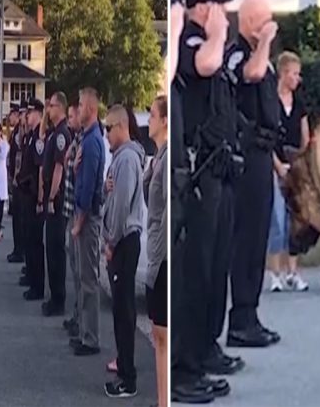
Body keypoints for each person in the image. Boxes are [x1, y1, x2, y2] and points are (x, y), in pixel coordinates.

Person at [171, 0, 236, 403]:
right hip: (193, 179)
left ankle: (198, 355)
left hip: (214, 173)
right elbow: (206, 65)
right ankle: (184, 369)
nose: (225, 13)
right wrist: (219, 32)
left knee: (211, 273)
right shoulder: (192, 41)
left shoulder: (200, 37)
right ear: (202, 7)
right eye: (219, 5)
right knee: (192, 277)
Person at [224, 0, 282, 352]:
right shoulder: (237, 52)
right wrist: (265, 42)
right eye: (264, 22)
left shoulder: (261, 55)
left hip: (263, 154)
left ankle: (251, 313)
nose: (269, 27)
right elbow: (252, 74)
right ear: (248, 24)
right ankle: (240, 319)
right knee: (245, 239)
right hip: (245, 157)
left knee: (259, 237)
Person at [102, 105, 145, 398]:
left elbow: (121, 205)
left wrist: (111, 241)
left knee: (125, 312)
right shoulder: (120, 159)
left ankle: (128, 378)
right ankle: (124, 368)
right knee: (120, 310)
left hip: (125, 241)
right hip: (122, 240)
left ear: (120, 126)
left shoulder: (127, 159)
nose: (106, 134)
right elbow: (114, 195)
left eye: (108, 128)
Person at [267, 51, 309, 292]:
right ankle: (274, 273)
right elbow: (269, 136)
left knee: (295, 222)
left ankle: (293, 271)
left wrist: (300, 162)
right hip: (276, 166)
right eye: (293, 73)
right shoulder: (271, 102)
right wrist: (277, 165)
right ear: (283, 74)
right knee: (277, 221)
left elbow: (306, 137)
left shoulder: (300, 105)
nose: (297, 78)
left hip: (295, 166)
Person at [70, 87, 105, 357]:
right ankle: (83, 332)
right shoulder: (86, 138)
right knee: (82, 278)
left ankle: (91, 338)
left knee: (89, 281)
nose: (78, 109)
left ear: (91, 109)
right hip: (83, 215)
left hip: (88, 217)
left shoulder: (93, 141)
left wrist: (80, 222)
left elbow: (89, 186)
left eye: (81, 105)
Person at [145, 95, 169, 407]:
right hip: (155, 253)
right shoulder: (157, 157)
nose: (148, 120)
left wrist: (157, 259)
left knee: (161, 333)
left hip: (162, 258)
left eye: (152, 115)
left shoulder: (165, 158)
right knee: (157, 334)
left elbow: (164, 215)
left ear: (165, 120)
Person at [38, 92, 71, 317]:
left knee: (56, 249)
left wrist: (50, 197)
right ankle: (54, 296)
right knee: (50, 248)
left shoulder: (62, 134)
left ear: (60, 107)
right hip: (51, 197)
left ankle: (58, 299)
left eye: (51, 106)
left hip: (57, 201)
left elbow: (59, 168)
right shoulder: (52, 133)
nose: (48, 110)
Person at [19, 99, 45, 301]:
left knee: (35, 242)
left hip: (34, 193)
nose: (27, 116)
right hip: (26, 192)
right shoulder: (30, 136)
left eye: (30, 113)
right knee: (28, 238)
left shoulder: (39, 138)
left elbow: (40, 169)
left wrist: (40, 198)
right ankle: (31, 276)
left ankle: (37, 285)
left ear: (38, 113)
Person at [61, 103, 82, 338]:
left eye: (71, 115)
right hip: (71, 210)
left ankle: (84, 323)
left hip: (80, 214)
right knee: (76, 272)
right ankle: (78, 316)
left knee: (83, 275)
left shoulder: (87, 141)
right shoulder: (75, 140)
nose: (69, 120)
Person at [7, 102, 26, 263]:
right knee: (16, 218)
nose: (10, 117)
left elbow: (19, 157)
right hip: (14, 179)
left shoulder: (21, 133)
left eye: (13, 114)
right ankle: (17, 248)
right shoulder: (15, 132)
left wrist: (15, 177)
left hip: (19, 180)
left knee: (20, 219)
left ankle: (20, 250)